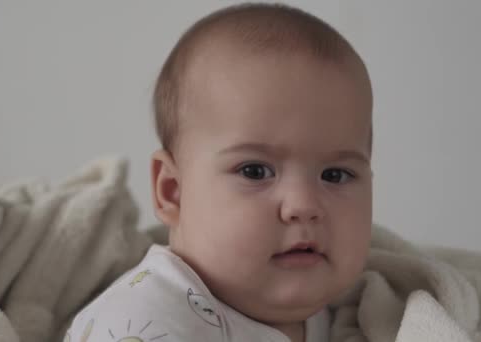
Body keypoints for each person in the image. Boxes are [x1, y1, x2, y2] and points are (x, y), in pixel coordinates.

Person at [67, 3, 373, 341]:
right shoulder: (144, 319)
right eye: (255, 171)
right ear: (172, 191)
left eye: (335, 175)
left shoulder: (354, 312)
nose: (303, 205)